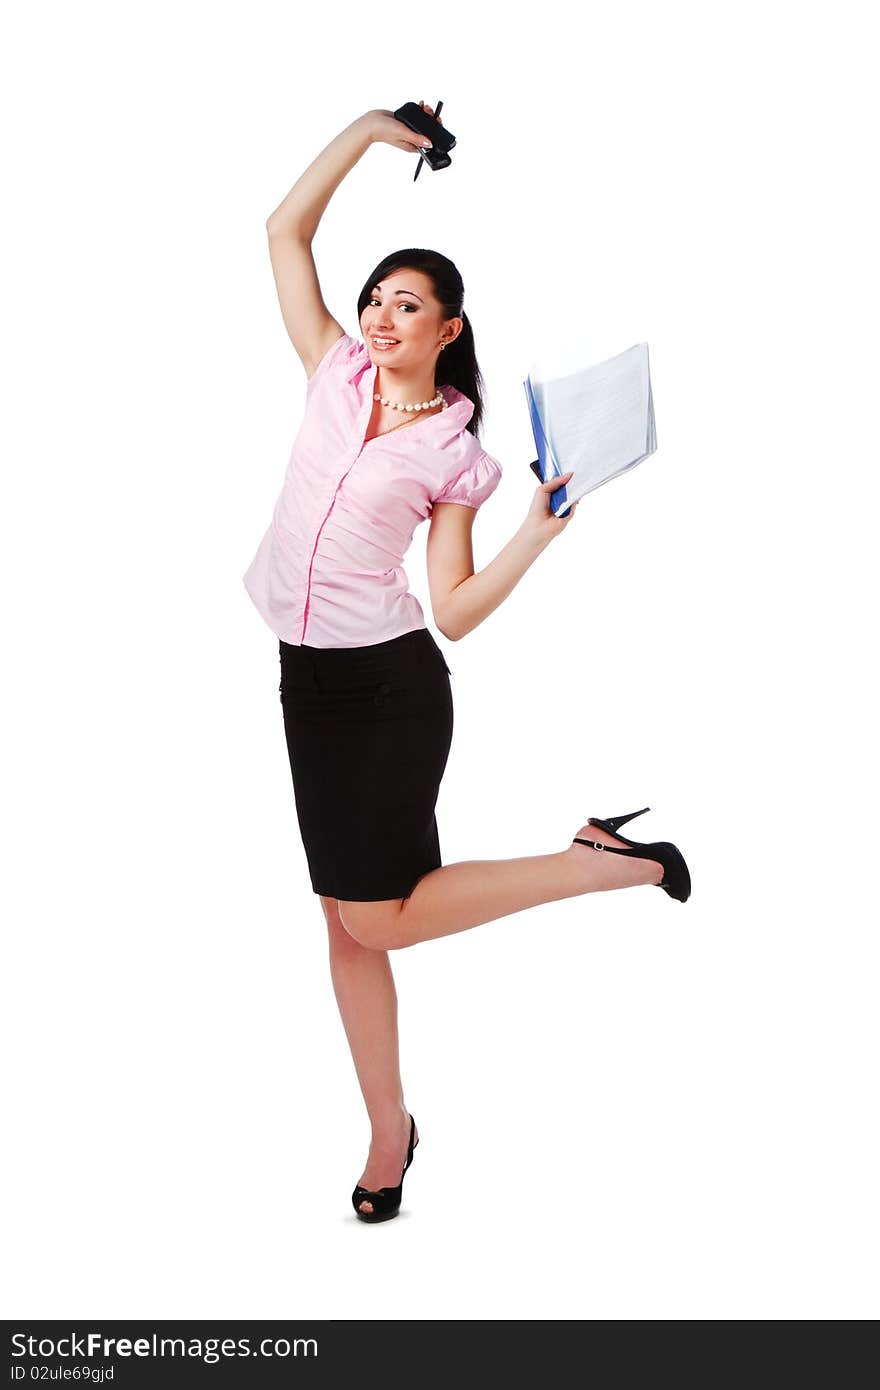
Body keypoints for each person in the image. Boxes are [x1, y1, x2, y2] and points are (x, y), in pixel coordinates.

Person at [243, 103, 692, 1224]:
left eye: (407, 303)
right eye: (375, 299)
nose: (381, 314)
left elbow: (453, 611)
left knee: (379, 918)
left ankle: (600, 862)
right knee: (345, 919)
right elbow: (282, 229)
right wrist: (364, 131)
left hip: (391, 693)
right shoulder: (333, 375)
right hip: (306, 686)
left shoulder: (456, 450)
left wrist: (536, 530)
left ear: (449, 328)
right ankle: (387, 1131)